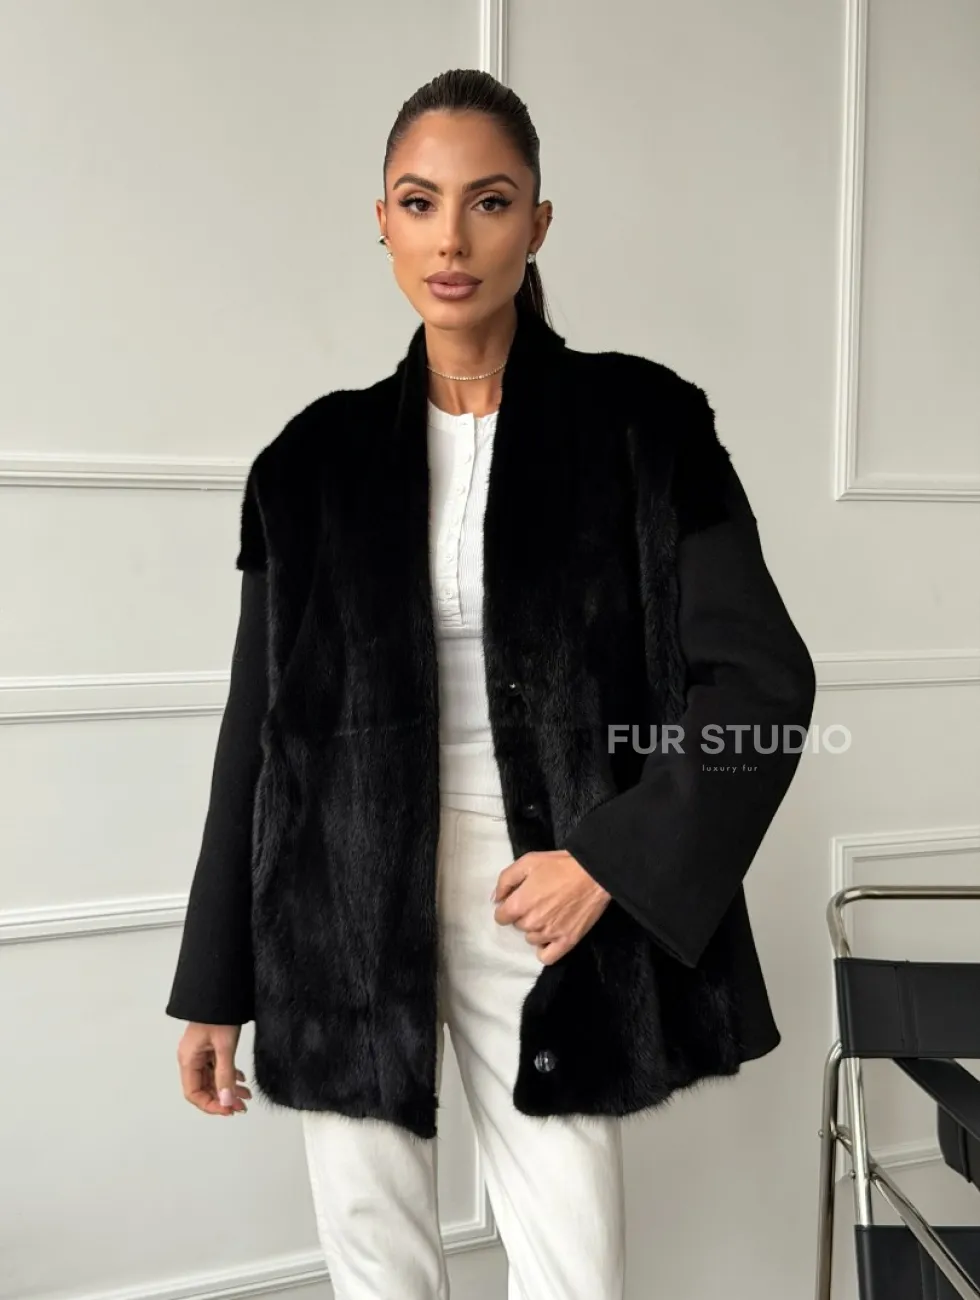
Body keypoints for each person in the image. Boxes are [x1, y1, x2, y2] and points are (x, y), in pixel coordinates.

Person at [166, 68, 816, 1300]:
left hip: (542, 887)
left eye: (490, 201)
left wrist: (610, 859)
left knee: (572, 1267)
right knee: (374, 1265)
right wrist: (215, 983)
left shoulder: (645, 424)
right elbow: (257, 733)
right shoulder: (306, 463)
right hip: (336, 905)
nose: (451, 241)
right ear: (381, 221)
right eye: (420, 203)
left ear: (537, 222)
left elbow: (761, 682)